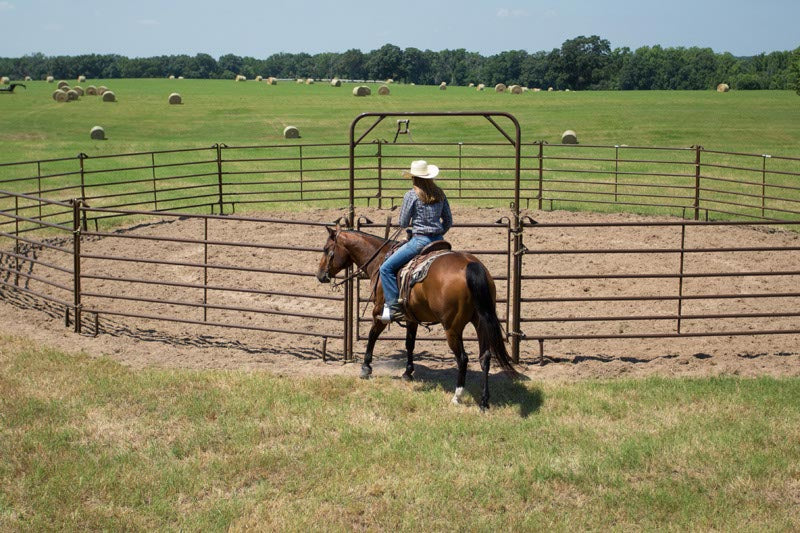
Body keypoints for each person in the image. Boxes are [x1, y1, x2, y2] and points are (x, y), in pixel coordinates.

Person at [379, 160, 453, 323]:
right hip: (439, 241)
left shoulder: (411, 195)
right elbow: (448, 220)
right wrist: (438, 231)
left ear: (414, 177)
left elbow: (404, 222)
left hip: (419, 241)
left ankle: (393, 307)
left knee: (386, 268)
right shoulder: (440, 193)